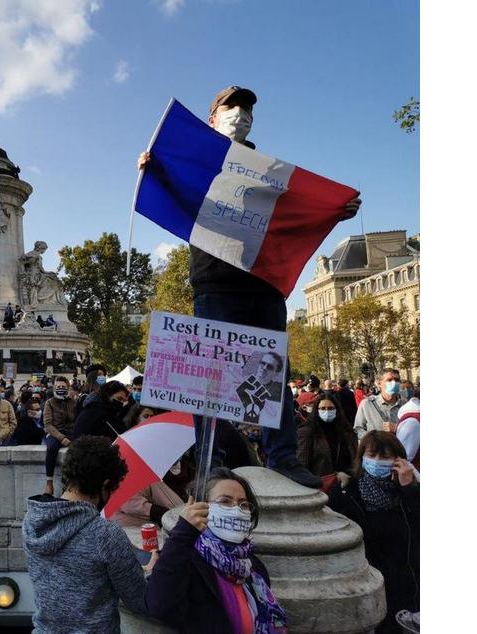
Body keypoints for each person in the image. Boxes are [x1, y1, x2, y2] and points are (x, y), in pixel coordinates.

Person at [138, 85, 360, 489]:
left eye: (246, 109)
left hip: (265, 281)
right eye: (230, 106)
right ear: (212, 119)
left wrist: (332, 211)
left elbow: (296, 213)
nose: (240, 114)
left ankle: (283, 458)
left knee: (274, 369)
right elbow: (173, 196)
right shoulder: (194, 164)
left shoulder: (269, 172)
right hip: (217, 283)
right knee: (211, 378)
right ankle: (211, 462)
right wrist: (155, 168)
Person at [23, 436, 152, 633]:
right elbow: (139, 601)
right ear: (105, 485)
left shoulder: (32, 522)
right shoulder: (105, 534)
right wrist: (148, 571)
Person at [145, 467, 286, 633]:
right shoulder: (187, 559)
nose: (236, 509)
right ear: (201, 508)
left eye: (243, 504)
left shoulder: (253, 567)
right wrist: (182, 533)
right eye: (225, 501)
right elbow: (160, 606)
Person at [327, 431, 419, 633]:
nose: (377, 462)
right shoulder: (347, 491)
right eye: (372, 456)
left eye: (385, 457)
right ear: (362, 458)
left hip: (403, 585)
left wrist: (409, 488)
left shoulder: (409, 491)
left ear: (398, 460)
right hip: (362, 584)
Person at [296, 393, 358, 488]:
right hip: (320, 486)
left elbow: (354, 458)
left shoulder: (346, 430)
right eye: (323, 408)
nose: (327, 411)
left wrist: (348, 474)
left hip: (346, 483)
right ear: (316, 410)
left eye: (330, 408)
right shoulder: (307, 432)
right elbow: (302, 463)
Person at [42, 376, 78, 496]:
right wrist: (61, 438)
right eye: (58, 387)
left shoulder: (73, 402)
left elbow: (76, 420)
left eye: (63, 387)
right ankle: (49, 483)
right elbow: (48, 425)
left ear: (67, 388)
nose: (61, 389)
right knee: (51, 448)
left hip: (71, 433)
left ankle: (69, 482)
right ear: (54, 388)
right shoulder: (49, 403)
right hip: (54, 433)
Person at [353, 368, 406, 439]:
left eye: (397, 380)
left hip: (401, 448)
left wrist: (398, 429)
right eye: (389, 380)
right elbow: (358, 429)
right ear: (379, 384)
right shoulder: (367, 404)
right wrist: (374, 439)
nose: (394, 383)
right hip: (377, 449)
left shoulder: (406, 405)